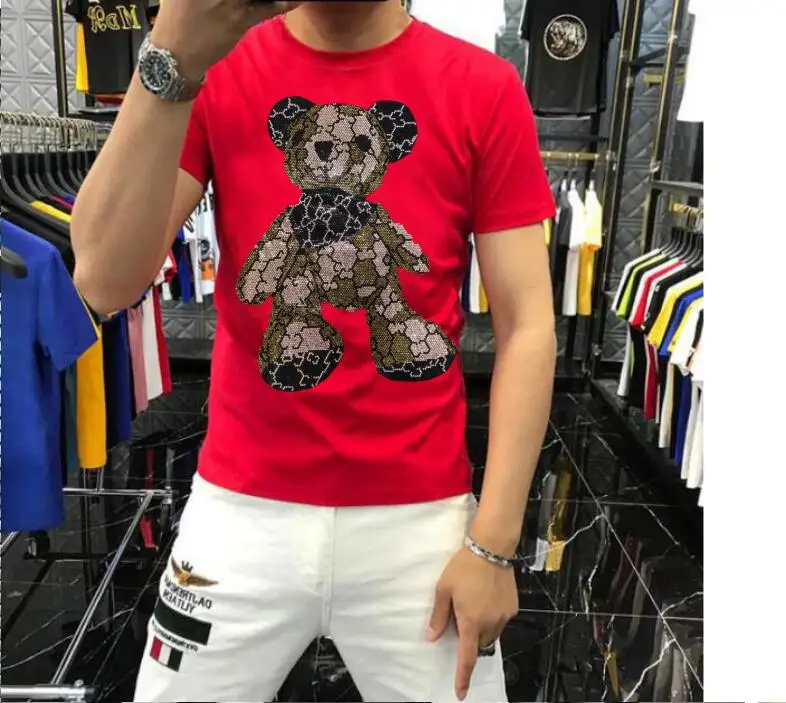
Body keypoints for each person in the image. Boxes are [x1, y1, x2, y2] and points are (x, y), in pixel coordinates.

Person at [70, 1, 557, 701]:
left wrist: (495, 543)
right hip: (239, 511)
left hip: (423, 522)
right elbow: (103, 279)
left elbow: (528, 324)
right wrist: (171, 52)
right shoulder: (214, 67)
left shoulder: (482, 86)